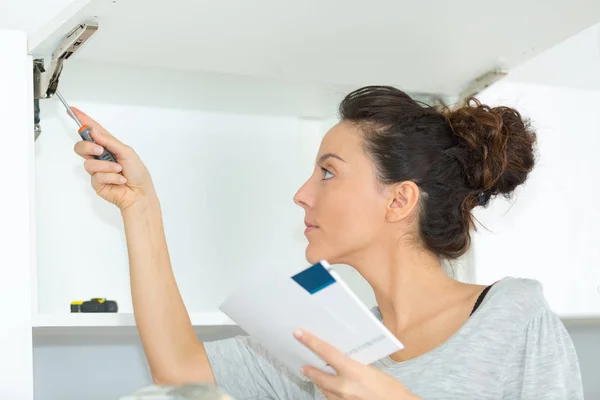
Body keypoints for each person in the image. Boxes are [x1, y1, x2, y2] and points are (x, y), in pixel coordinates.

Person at [73, 86, 583, 400]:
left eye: (328, 173)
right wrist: (140, 206)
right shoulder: (336, 338)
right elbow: (181, 372)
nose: (301, 195)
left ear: (399, 200)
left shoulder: (513, 315)